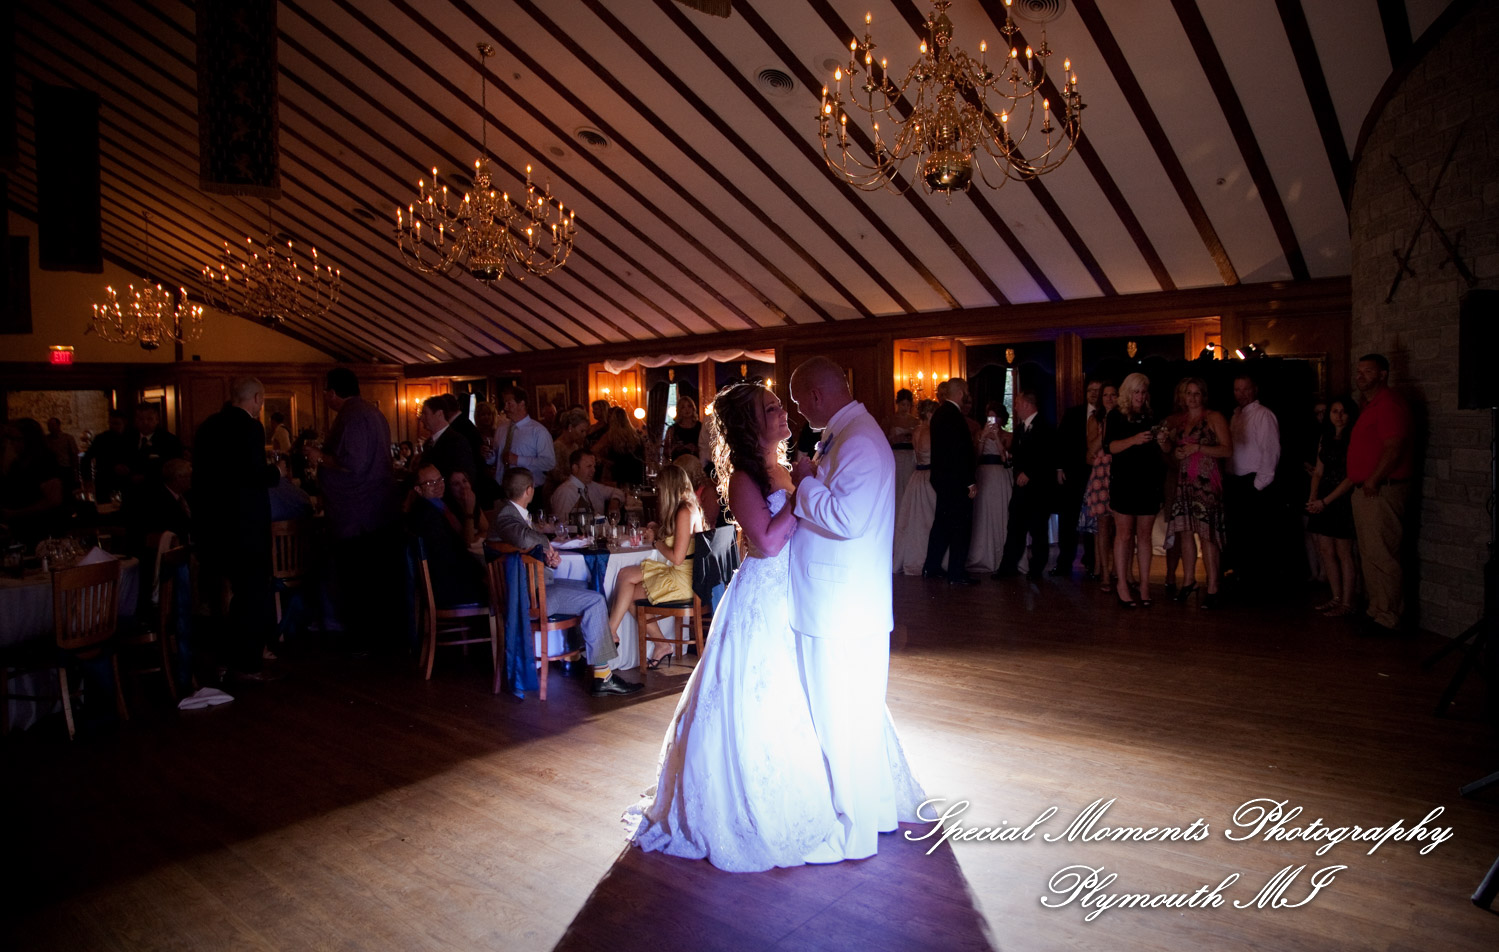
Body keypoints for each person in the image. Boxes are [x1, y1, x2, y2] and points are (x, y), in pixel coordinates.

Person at [627, 377, 920, 871]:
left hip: (801, 592)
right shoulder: (745, 478)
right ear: (750, 424)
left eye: (781, 405)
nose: (784, 413)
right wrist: (802, 494)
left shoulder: (783, 468)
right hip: (765, 593)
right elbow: (764, 541)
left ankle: (850, 796)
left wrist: (802, 486)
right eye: (771, 409)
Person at [788, 357, 925, 863]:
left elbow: (847, 518)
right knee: (854, 721)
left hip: (840, 610)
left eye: (800, 403)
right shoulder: (848, 435)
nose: (799, 414)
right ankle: (876, 814)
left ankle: (851, 834)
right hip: (841, 605)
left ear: (817, 395)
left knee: (840, 723)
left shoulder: (860, 442)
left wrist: (804, 481)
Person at [488, 467, 641, 697]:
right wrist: (546, 544)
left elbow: (521, 548)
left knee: (587, 587)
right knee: (595, 600)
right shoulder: (505, 515)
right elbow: (522, 537)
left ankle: (575, 656)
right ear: (529, 490)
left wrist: (545, 556)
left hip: (526, 590)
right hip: (527, 596)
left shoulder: (509, 513)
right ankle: (603, 676)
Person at [304, 368, 400, 649]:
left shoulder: (352, 416)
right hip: (377, 511)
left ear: (332, 393)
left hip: (356, 514)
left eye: (325, 392)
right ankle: (377, 639)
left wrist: (320, 457)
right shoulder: (373, 413)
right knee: (373, 579)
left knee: (357, 580)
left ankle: (362, 641)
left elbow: (353, 463)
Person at [194, 378, 281, 680]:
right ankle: (247, 663)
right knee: (251, 594)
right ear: (256, 398)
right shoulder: (250, 427)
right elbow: (252, 475)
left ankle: (222, 659)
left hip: (213, 525)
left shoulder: (207, 427)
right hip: (245, 526)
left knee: (221, 597)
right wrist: (276, 472)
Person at [606, 463, 704, 668]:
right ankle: (613, 631)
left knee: (628, 593)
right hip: (683, 572)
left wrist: (656, 543)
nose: (658, 495)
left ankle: (613, 633)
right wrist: (658, 529)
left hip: (683, 579)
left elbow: (677, 558)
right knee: (624, 575)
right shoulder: (688, 506)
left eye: (660, 490)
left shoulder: (685, 511)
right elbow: (681, 541)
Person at [1347, 354, 1413, 633]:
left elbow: (1394, 446)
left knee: (1383, 554)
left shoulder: (1389, 404)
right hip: (1366, 489)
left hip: (1381, 490)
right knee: (1370, 553)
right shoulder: (1369, 405)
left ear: (1383, 374)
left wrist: (1373, 480)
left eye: (1368, 371)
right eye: (1359, 371)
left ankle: (1388, 616)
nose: (1360, 376)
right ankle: (1376, 609)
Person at [1163, 377, 1232, 609]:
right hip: (1184, 482)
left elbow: (1227, 450)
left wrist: (1199, 448)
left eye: (1196, 393)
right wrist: (1177, 453)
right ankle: (1188, 580)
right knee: (1185, 532)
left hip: (1206, 483)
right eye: (1188, 393)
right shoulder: (1181, 421)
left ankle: (1213, 586)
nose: (1192, 398)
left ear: (1203, 396)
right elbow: (1173, 449)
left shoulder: (1214, 417)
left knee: (1207, 535)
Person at [1107, 373, 1167, 607]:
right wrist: (1134, 439)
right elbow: (1110, 447)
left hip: (1149, 481)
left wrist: (1163, 441)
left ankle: (1144, 585)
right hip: (1124, 481)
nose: (1140, 397)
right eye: (1136, 392)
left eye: (1143, 392)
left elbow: (1165, 449)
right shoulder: (1116, 415)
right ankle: (1122, 584)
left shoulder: (1151, 415)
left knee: (1144, 536)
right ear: (1128, 393)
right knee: (1123, 534)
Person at [993, 389, 1059, 581]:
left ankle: (1036, 569)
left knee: (1038, 530)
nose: (1015, 407)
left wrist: (1029, 473)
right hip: (1020, 490)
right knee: (1014, 528)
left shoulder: (1045, 427)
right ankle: (1008, 567)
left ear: (1027, 405)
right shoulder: (1020, 428)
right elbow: (1016, 456)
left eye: (1017, 403)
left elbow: (1047, 456)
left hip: (1039, 490)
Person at [1226, 373, 1281, 596]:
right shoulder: (1236, 416)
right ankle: (1241, 579)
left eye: (1245, 389)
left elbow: (1271, 451)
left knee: (1255, 537)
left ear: (1255, 389)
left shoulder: (1263, 415)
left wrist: (1257, 485)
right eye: (1237, 390)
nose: (1241, 394)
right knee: (1239, 535)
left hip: (1254, 483)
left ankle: (1256, 586)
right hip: (1236, 482)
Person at [1306, 396, 1360, 617]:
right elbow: (1318, 471)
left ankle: (1347, 602)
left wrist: (1325, 501)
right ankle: (1335, 597)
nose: (1338, 416)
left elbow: (1351, 477)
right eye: (1334, 411)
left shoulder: (1354, 438)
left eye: (1343, 411)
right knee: (1326, 550)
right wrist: (1313, 497)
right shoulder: (1325, 437)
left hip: (1342, 497)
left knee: (1344, 552)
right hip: (1323, 495)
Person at [407, 463, 488, 609]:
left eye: (440, 480)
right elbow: (451, 555)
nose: (438, 485)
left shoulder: (437, 505)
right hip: (448, 588)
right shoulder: (426, 516)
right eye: (431, 483)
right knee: (501, 587)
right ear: (418, 489)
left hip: (448, 581)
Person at [923, 377, 978, 584]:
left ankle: (931, 567)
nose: (968, 395)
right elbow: (959, 452)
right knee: (960, 528)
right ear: (961, 392)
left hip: (943, 480)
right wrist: (970, 481)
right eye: (966, 391)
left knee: (942, 525)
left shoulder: (940, 413)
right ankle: (956, 573)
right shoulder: (954, 415)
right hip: (956, 482)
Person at [1053, 379, 1101, 577]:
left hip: (1098, 475)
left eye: (1098, 390)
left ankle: (1092, 562)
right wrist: (1059, 467)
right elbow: (1060, 441)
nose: (1094, 394)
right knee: (1068, 519)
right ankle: (1064, 563)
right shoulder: (1073, 413)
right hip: (1074, 474)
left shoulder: (1108, 415)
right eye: (1090, 390)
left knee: (1094, 520)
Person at [1, 418, 68, 545]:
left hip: (43, 530)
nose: (12, 444)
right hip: (21, 530)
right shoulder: (17, 464)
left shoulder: (45, 461)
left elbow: (53, 500)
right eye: (10, 439)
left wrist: (15, 514)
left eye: (17, 439)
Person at [892, 399, 938, 575]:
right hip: (929, 475)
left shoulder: (917, 431)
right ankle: (926, 556)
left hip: (917, 476)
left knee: (915, 518)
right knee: (928, 518)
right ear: (929, 414)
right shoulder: (929, 432)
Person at [967, 402, 1012, 574]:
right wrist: (983, 437)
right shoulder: (980, 433)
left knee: (999, 511)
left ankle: (1002, 555)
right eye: (989, 417)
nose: (991, 420)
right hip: (983, 474)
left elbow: (1005, 458)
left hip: (999, 475)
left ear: (1001, 419)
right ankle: (982, 554)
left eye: (994, 417)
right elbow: (976, 456)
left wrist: (997, 438)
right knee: (983, 512)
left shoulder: (1007, 435)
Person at [1085, 382, 1118, 590]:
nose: (1109, 398)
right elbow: (1091, 449)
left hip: (1119, 470)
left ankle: (1122, 572)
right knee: (1103, 525)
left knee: (1122, 527)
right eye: (1105, 395)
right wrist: (1105, 429)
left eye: (1113, 394)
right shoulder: (1095, 419)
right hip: (1101, 473)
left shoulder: (1124, 417)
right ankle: (1105, 573)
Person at [499, 388, 555, 494]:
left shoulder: (538, 431)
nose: (505, 408)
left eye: (509, 403)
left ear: (522, 404)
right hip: (502, 488)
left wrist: (518, 460)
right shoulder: (502, 429)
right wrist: (490, 456)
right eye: (504, 403)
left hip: (529, 491)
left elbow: (549, 463)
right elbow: (499, 457)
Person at [548, 449, 624, 522]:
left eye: (594, 466)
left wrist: (614, 503)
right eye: (589, 466)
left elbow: (617, 492)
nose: (593, 470)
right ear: (575, 468)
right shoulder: (565, 492)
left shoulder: (592, 486)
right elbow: (562, 524)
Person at [82, 411, 131, 501]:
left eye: (117, 423)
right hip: (105, 480)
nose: (113, 426)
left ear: (124, 423)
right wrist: (87, 480)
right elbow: (86, 458)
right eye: (111, 423)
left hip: (127, 481)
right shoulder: (101, 439)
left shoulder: (132, 438)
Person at [593, 406, 644, 486]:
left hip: (617, 476)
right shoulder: (636, 436)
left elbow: (593, 450)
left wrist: (604, 461)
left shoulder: (610, 436)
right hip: (635, 476)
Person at [887, 388, 919, 513]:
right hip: (896, 455)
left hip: (910, 456)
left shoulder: (915, 421)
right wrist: (895, 439)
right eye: (902, 404)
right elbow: (884, 440)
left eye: (907, 405)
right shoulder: (890, 420)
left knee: (908, 484)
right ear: (897, 403)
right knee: (897, 485)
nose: (905, 408)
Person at [44, 418, 80, 492]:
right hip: (52, 470)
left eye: (52, 425)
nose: (50, 427)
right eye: (49, 425)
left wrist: (75, 471)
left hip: (65, 469)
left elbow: (74, 454)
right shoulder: (46, 440)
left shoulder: (67, 438)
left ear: (58, 425)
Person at [664, 395, 703, 461]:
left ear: (693, 408)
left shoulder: (700, 427)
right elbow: (666, 451)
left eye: (689, 406)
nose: (687, 410)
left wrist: (696, 449)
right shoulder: (673, 429)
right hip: (679, 462)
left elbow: (707, 446)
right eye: (683, 407)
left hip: (696, 462)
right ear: (679, 410)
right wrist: (679, 448)